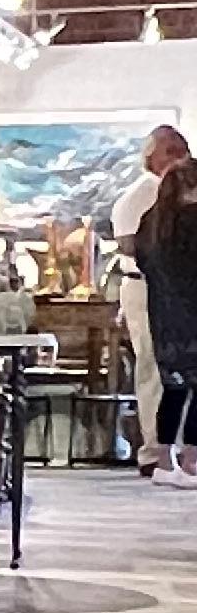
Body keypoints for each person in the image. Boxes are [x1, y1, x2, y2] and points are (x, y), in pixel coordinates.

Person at [111, 123, 191, 469]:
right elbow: (139, 249)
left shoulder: (176, 194)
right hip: (148, 289)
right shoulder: (142, 196)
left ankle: (179, 448)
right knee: (156, 370)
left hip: (177, 293)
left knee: (181, 372)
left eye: (182, 150)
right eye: (170, 151)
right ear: (151, 158)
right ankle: (155, 452)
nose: (179, 158)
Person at [135, 155, 197, 485]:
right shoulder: (193, 220)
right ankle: (191, 462)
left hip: (163, 314)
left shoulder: (151, 222)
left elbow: (144, 264)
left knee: (172, 388)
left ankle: (162, 462)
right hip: (193, 314)